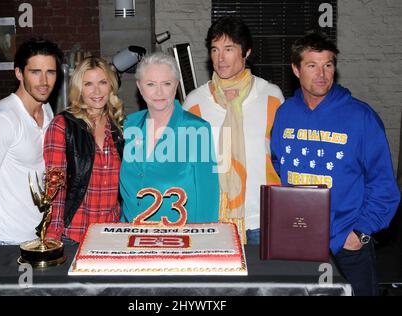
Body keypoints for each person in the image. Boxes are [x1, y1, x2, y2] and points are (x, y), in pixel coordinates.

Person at [270, 32, 400, 296]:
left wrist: (361, 233)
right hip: (299, 243)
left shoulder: (361, 117)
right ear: (295, 69)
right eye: (312, 65)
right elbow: (278, 163)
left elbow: (384, 185)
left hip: (347, 244)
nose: (322, 74)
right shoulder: (285, 113)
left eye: (328, 64)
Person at [183, 16, 284, 243]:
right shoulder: (194, 103)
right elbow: (186, 167)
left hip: (264, 219)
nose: (220, 58)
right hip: (213, 221)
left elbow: (283, 157)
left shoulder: (271, 96)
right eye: (215, 49)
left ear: (246, 52)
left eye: (228, 49)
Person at [0, 38, 63, 259]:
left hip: (41, 237)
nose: (44, 81)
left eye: (51, 72)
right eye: (35, 72)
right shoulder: (3, 119)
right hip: (7, 241)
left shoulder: (46, 110)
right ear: (19, 73)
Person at [120, 52, 219, 224]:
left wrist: (204, 240)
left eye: (166, 83)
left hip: (180, 239)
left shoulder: (197, 129)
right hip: (132, 236)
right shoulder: (129, 125)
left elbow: (208, 194)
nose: (159, 92)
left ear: (176, 85)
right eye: (150, 84)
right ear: (140, 87)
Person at [44, 57, 124, 244]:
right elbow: (55, 185)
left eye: (103, 82)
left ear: (111, 86)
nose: (97, 91)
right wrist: (53, 235)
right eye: (88, 84)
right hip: (73, 234)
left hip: (111, 234)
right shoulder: (62, 125)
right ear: (79, 89)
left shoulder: (119, 128)